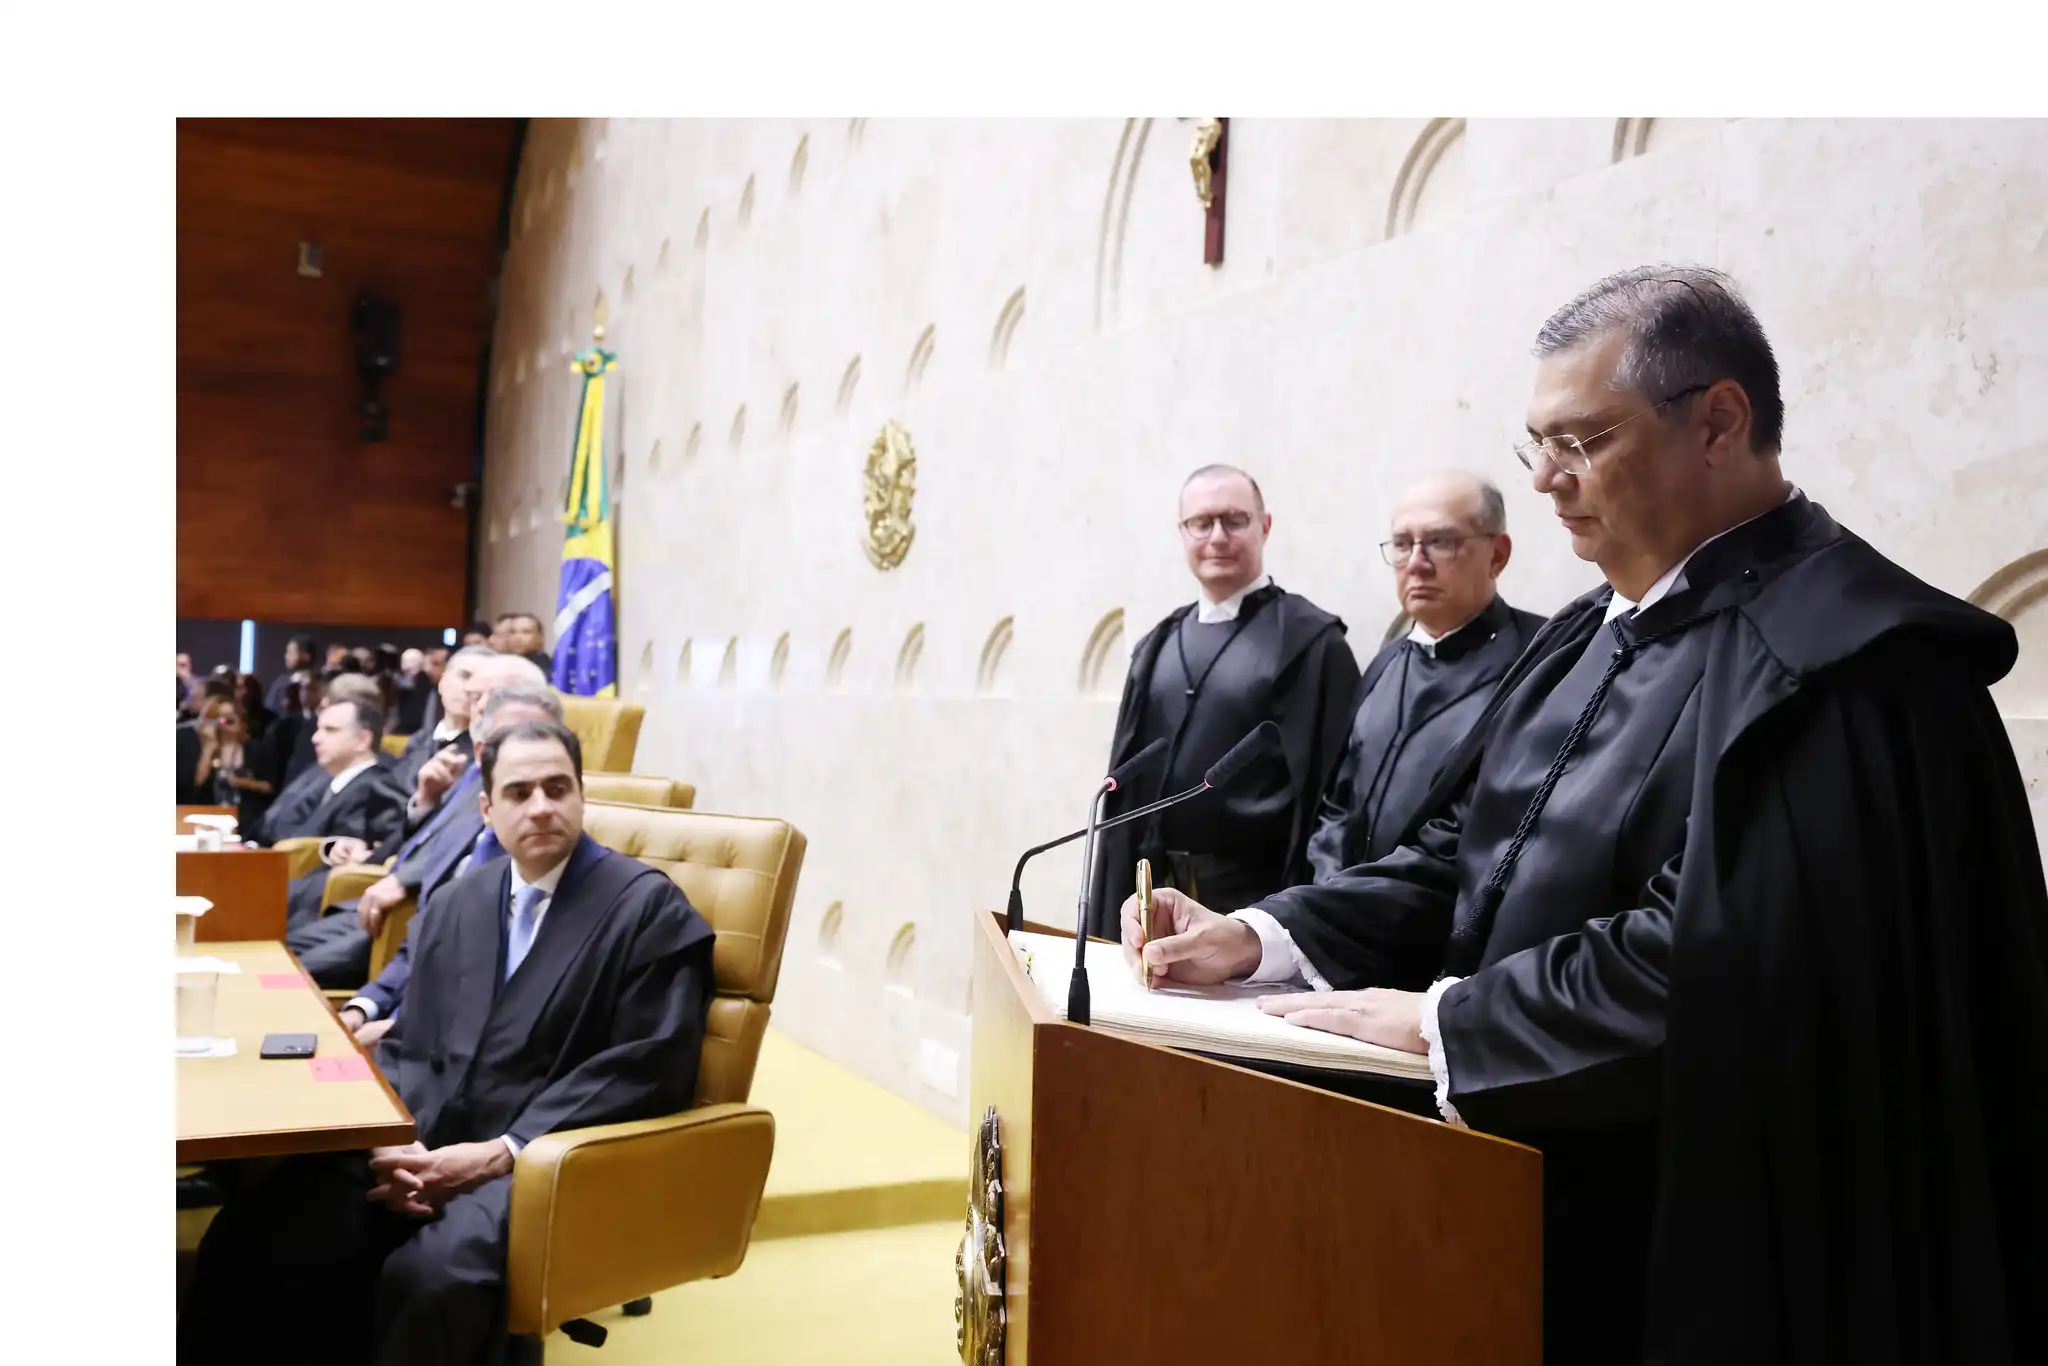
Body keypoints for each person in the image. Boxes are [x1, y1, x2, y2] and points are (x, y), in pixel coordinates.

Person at [1122, 266, 2048, 1365]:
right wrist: (1267, 936)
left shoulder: (1844, 667)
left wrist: (1449, 1024)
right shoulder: (1580, 637)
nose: (1550, 482)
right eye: (1536, 447)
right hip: (1516, 1190)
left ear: (1717, 421)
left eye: (1581, 442)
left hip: (1706, 1236)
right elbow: (1468, 863)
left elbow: (1726, 959)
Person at [180, 718, 717, 1366]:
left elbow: (647, 1064)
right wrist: (389, 1138)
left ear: (581, 797)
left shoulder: (646, 909)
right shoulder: (460, 899)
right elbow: (413, 1042)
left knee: (433, 1280)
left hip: (535, 1158)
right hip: (417, 1138)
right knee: (257, 1237)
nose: (542, 806)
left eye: (558, 788)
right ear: (487, 808)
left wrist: (497, 1153)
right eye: (519, 793)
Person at [1088, 464, 1361, 935]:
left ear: (1264, 526)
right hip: (1151, 900)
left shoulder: (1310, 643)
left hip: (1258, 909)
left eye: (1235, 520)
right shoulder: (1156, 645)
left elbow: (1336, 800)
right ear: (1183, 532)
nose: (1217, 536)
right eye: (1201, 522)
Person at [1305, 473, 1545, 877]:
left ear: (1497, 555)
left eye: (1441, 542)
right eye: (1402, 545)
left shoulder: (1541, 659)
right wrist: (1327, 889)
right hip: (1343, 919)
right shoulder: (1386, 661)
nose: (1416, 563)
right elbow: (1338, 804)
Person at [287, 677, 561, 990]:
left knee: (289, 974)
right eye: (477, 701)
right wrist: (426, 801)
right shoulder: (466, 769)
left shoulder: (515, 794)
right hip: (378, 888)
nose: (478, 711)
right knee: (277, 955)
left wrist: (405, 879)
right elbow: (431, 838)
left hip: (410, 914)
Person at [257, 697, 406, 848]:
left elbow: (339, 857)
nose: (315, 739)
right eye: (318, 729)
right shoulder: (332, 782)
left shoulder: (372, 789)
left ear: (363, 740)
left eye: (330, 730)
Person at [266, 634, 319, 713]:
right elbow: (270, 710)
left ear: (307, 656)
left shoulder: (320, 682)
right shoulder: (281, 683)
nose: (286, 657)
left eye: (291, 653)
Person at [496, 611, 554, 677]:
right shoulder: (503, 664)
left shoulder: (544, 671)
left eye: (526, 632)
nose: (517, 637)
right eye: (513, 632)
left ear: (540, 637)